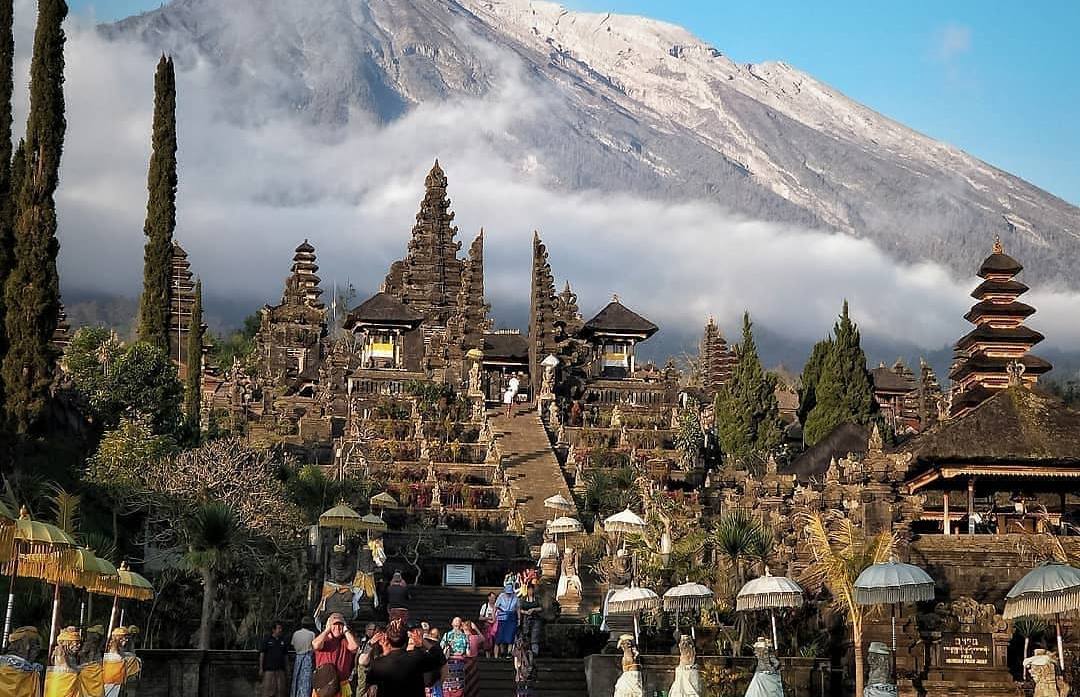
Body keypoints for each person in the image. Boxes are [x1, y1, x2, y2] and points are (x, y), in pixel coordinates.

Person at [366, 619, 446, 697]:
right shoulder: (416, 658)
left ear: (388, 640)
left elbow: (370, 685)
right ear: (407, 640)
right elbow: (439, 657)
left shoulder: (378, 664)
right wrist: (423, 642)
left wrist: (370, 645)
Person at [313, 613, 360, 697]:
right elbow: (315, 645)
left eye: (340, 625)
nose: (337, 628)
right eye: (334, 625)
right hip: (323, 686)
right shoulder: (324, 640)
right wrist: (327, 630)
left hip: (342, 685)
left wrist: (345, 630)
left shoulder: (346, 641)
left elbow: (354, 647)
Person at [259, 621, 289, 697]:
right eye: (278, 628)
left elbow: (285, 655)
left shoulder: (283, 641)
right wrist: (261, 668)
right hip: (269, 670)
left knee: (280, 691)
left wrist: (287, 668)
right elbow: (262, 654)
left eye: (281, 628)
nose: (280, 630)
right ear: (273, 630)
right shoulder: (266, 640)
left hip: (280, 670)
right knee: (268, 691)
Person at [290, 617, 317, 697]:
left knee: (296, 679)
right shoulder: (311, 634)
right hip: (307, 658)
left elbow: (293, 645)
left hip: (298, 658)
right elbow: (314, 647)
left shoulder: (296, 634)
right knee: (306, 681)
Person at [493, 583, 519, 658]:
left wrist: (519, 619)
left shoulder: (515, 597)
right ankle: (499, 653)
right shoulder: (501, 596)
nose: (508, 594)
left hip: (512, 617)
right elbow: (496, 607)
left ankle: (509, 653)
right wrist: (494, 616)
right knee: (500, 635)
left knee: (511, 635)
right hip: (502, 618)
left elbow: (518, 608)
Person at [519, 584, 544, 657]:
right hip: (526, 619)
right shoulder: (523, 599)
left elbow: (541, 608)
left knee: (535, 635)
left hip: (536, 619)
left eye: (532, 590)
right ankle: (526, 651)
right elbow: (519, 609)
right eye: (529, 590)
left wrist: (533, 609)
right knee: (526, 634)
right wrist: (525, 612)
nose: (530, 591)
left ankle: (535, 652)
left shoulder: (537, 599)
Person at [479, 592, 498, 657]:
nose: (493, 599)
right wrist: (488, 618)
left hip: (495, 625)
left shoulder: (497, 606)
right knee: (487, 640)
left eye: (494, 598)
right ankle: (488, 657)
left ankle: (496, 656)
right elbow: (480, 617)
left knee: (496, 640)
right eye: (492, 597)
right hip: (487, 625)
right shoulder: (485, 606)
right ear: (488, 597)